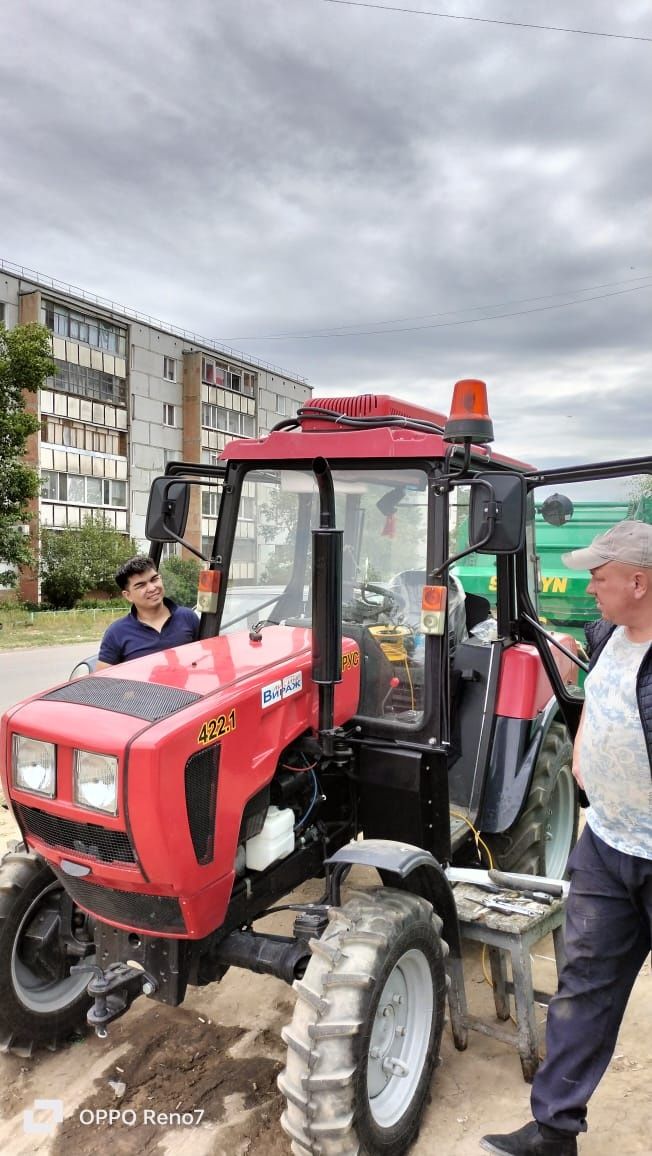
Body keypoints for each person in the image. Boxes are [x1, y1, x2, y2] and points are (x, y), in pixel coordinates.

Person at [481, 520, 652, 1156]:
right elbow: (594, 701)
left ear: (637, 580)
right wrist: (582, 748)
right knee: (582, 991)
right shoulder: (608, 636)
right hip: (608, 847)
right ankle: (554, 1133)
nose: (588, 584)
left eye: (598, 574)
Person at [96, 555, 199, 668]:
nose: (152, 588)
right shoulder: (116, 632)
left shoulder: (188, 617)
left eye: (154, 579)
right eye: (141, 585)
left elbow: (206, 659)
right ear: (128, 595)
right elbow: (103, 682)